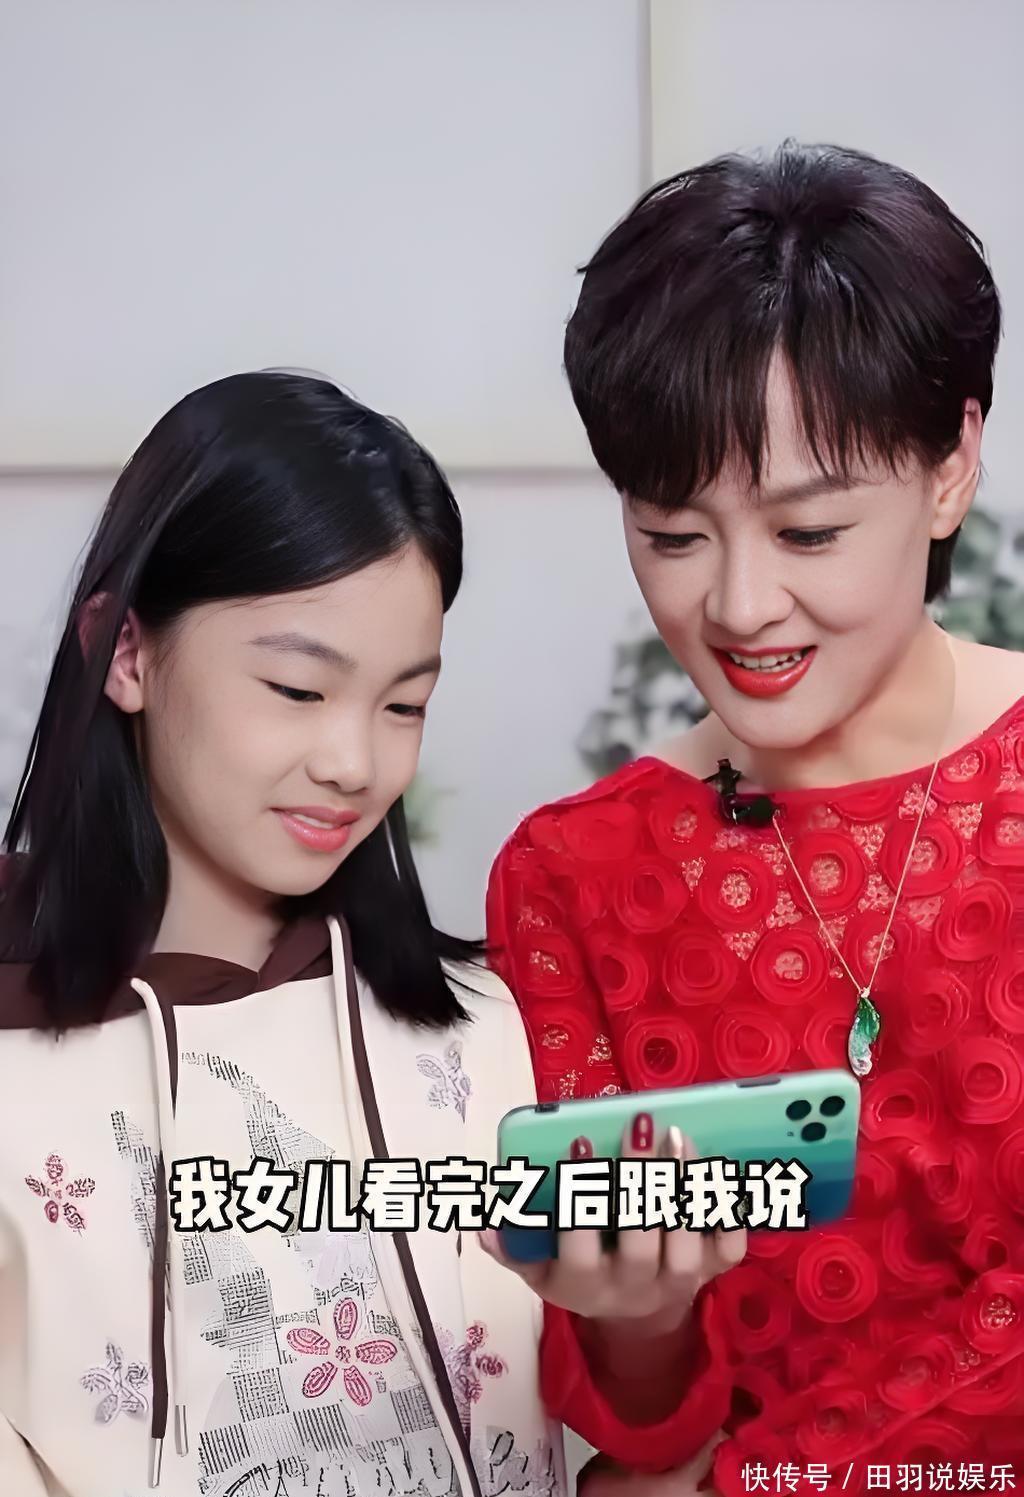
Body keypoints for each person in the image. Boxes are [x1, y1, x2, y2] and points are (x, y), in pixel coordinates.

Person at [484, 144, 1024, 1490]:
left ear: (950, 466)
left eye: (808, 533)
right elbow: (643, 1426)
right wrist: (638, 1318)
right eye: (673, 535)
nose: (734, 607)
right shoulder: (576, 875)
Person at [0, 371, 572, 1497]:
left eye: (403, 704)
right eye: (299, 690)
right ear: (126, 652)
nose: (355, 764)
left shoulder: (487, 1033)